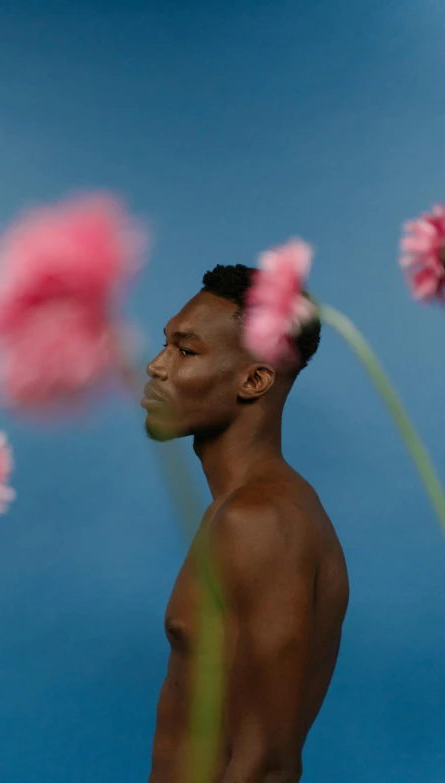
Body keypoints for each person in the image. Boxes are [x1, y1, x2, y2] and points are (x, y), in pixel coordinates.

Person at [141, 264, 350, 783]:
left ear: (255, 380)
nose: (155, 366)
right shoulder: (242, 510)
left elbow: (267, 766)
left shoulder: (261, 520)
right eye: (165, 344)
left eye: (185, 351)